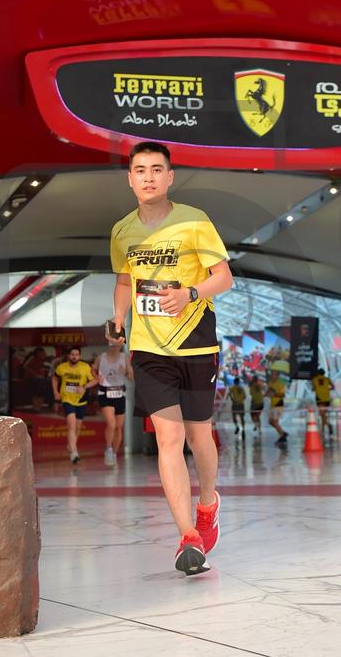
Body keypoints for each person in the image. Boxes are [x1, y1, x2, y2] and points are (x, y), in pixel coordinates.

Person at [109, 141, 233, 576]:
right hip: (149, 348)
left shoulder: (195, 221)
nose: (148, 177)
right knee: (168, 437)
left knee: (199, 436)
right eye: (140, 170)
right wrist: (118, 318)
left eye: (156, 169)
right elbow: (124, 281)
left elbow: (224, 277)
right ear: (130, 179)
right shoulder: (122, 230)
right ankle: (187, 536)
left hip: (197, 344)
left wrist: (190, 293)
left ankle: (208, 502)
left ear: (170, 176)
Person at [52, 347, 98, 464]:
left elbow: (95, 380)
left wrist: (84, 387)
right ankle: (74, 453)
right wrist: (56, 392)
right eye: (72, 354)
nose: (74, 356)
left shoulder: (85, 367)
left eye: (77, 354)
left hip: (81, 400)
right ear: (69, 356)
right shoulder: (62, 367)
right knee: (71, 426)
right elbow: (55, 378)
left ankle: (72, 445)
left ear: (79, 356)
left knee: (78, 427)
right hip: (67, 399)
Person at [93, 343, 133, 466]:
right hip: (105, 393)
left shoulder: (125, 358)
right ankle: (108, 449)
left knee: (118, 427)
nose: (115, 347)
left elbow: (131, 377)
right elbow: (92, 369)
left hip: (120, 393)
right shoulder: (101, 357)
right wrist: (97, 378)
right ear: (109, 345)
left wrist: (125, 372)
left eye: (118, 345)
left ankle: (114, 453)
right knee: (111, 424)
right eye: (113, 345)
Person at [311, 368, 335, 439]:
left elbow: (313, 388)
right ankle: (323, 428)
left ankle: (327, 426)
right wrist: (327, 389)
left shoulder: (314, 379)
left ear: (318, 373)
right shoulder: (327, 379)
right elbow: (333, 387)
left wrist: (317, 389)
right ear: (324, 373)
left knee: (322, 414)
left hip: (320, 399)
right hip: (327, 399)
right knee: (323, 414)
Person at [267, 369, 288, 446]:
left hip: (278, 404)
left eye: (274, 374)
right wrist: (265, 394)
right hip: (272, 405)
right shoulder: (270, 383)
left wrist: (274, 394)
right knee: (270, 421)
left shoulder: (280, 384)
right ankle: (282, 432)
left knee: (275, 422)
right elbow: (268, 391)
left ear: (277, 375)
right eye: (272, 374)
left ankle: (282, 437)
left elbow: (283, 395)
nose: (272, 375)